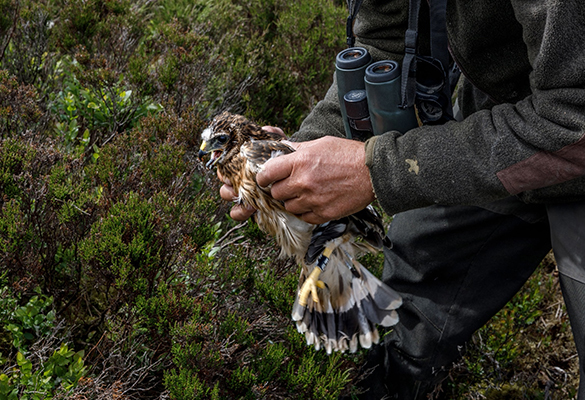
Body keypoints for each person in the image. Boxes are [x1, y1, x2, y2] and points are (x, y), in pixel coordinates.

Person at [219, 0, 585, 398]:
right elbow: (387, 40)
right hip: (507, 113)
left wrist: (376, 169)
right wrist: (291, 161)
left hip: (570, 128)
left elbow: (573, 119)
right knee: (411, 282)